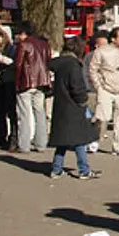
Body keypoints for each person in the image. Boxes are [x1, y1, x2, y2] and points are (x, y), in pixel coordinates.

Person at [48, 36, 101, 179]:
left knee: (63, 140)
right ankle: (84, 170)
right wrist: (83, 101)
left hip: (61, 104)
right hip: (74, 105)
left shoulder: (59, 64)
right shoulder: (73, 65)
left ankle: (56, 169)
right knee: (80, 139)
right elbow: (77, 86)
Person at [89, 27, 119, 158]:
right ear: (113, 38)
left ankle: (118, 146)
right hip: (106, 88)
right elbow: (93, 69)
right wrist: (98, 86)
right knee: (102, 117)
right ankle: (94, 140)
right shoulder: (101, 52)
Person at [13, 22, 52, 154]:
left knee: (24, 114)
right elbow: (48, 62)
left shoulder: (23, 45)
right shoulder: (44, 45)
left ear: (24, 33)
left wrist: (17, 84)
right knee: (40, 113)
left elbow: (18, 66)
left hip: (26, 82)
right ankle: (41, 143)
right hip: (42, 82)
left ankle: (24, 145)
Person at [0, 27, 17, 152]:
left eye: (0, 36)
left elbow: (15, 63)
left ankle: (13, 138)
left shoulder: (13, 48)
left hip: (9, 82)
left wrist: (3, 59)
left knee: (11, 112)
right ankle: (1, 137)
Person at [83, 30, 108, 153]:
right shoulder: (89, 56)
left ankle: (97, 139)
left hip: (105, 90)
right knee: (91, 116)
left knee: (102, 117)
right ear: (97, 46)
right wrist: (87, 87)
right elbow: (85, 73)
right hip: (92, 90)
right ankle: (90, 139)